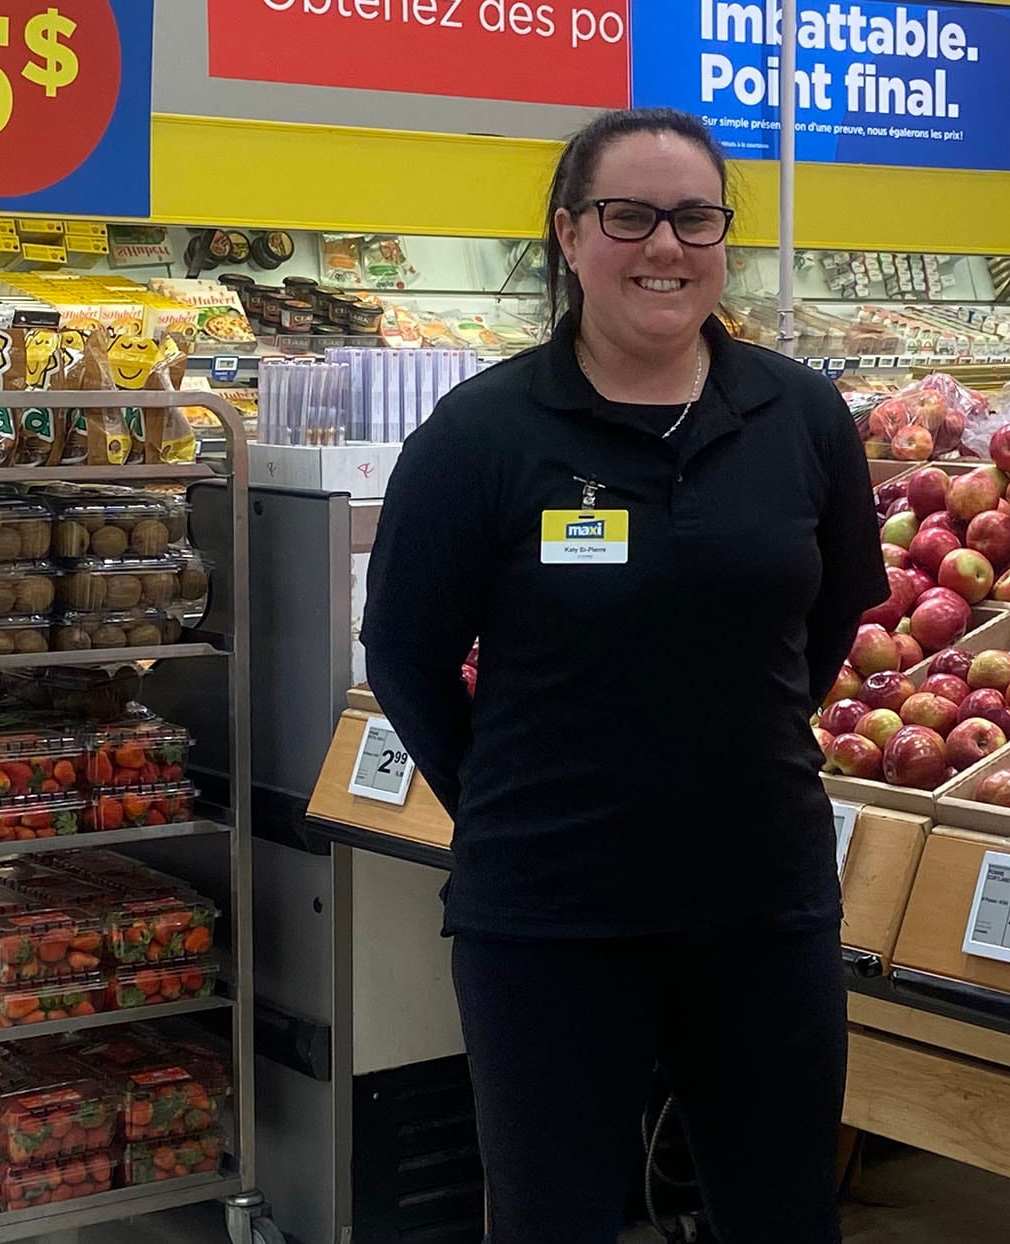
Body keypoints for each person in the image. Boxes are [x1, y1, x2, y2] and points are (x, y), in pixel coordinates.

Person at [362, 106, 887, 1244]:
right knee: (555, 1219)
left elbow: (836, 606)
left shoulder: (798, 413)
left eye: (694, 217)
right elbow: (401, 651)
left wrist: (732, 747)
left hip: (762, 900)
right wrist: (507, 800)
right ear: (566, 234)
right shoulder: (482, 433)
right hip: (550, 915)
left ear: (724, 235)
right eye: (628, 214)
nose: (664, 245)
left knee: (783, 1214)